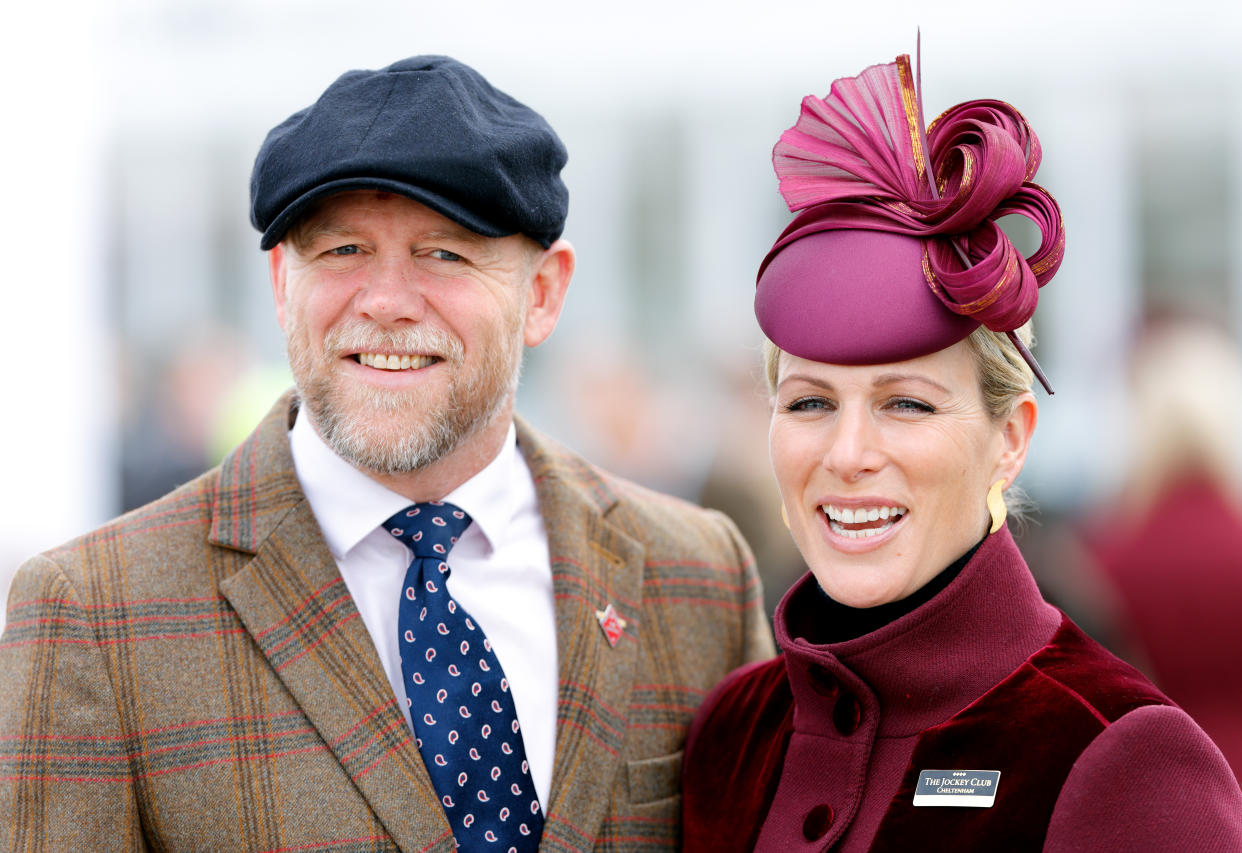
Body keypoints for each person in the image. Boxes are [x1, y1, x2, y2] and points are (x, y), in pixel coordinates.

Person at [0, 56, 773, 851]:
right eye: (341, 251)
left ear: (542, 293)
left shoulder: (699, 577)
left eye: (445, 253)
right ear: (280, 283)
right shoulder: (93, 615)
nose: (386, 301)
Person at [680, 53, 1242, 850]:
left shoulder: (1121, 757)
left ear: (1009, 439)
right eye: (809, 402)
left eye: (905, 404)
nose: (847, 452)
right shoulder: (730, 737)